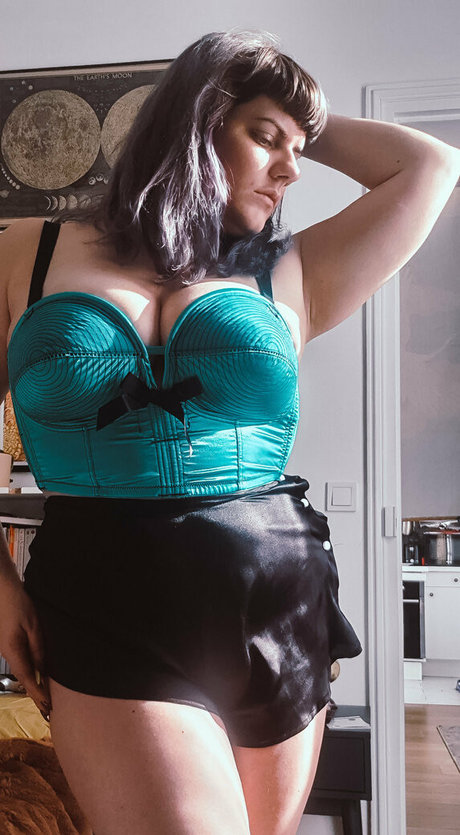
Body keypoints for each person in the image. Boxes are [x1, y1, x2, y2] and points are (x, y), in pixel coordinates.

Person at [0, 29, 458, 835]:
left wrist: (295, 115)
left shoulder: (293, 268)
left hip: (279, 597)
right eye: (266, 138)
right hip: (103, 600)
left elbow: (431, 166)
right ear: (196, 121)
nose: (292, 169)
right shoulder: (25, 252)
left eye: (299, 148)